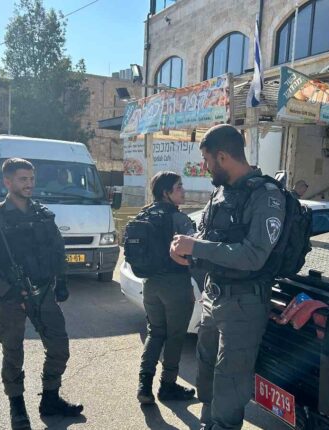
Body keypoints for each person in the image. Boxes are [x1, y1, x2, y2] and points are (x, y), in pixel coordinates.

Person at [170, 124, 287, 430]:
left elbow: (253, 255)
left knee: (230, 379)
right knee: (206, 369)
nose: (205, 168)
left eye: (207, 161)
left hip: (245, 301)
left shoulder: (266, 195)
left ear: (222, 157)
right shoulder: (224, 191)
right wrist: (187, 249)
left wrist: (197, 246)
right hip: (214, 294)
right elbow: (211, 238)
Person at [0, 158, 82, 430]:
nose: (29, 184)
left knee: (59, 346)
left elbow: (58, 249)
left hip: (43, 291)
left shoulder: (42, 214)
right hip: (10, 297)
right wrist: (3, 289)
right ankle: (17, 407)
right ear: (7, 182)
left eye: (31, 179)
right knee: (13, 352)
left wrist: (61, 281)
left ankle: (50, 399)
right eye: (22, 179)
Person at [137, 171, 197, 405]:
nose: (184, 191)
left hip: (150, 284)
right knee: (175, 337)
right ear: (166, 192)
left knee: (155, 333)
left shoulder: (144, 214)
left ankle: (144, 385)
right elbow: (195, 252)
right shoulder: (179, 219)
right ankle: (167, 386)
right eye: (179, 187)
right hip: (175, 285)